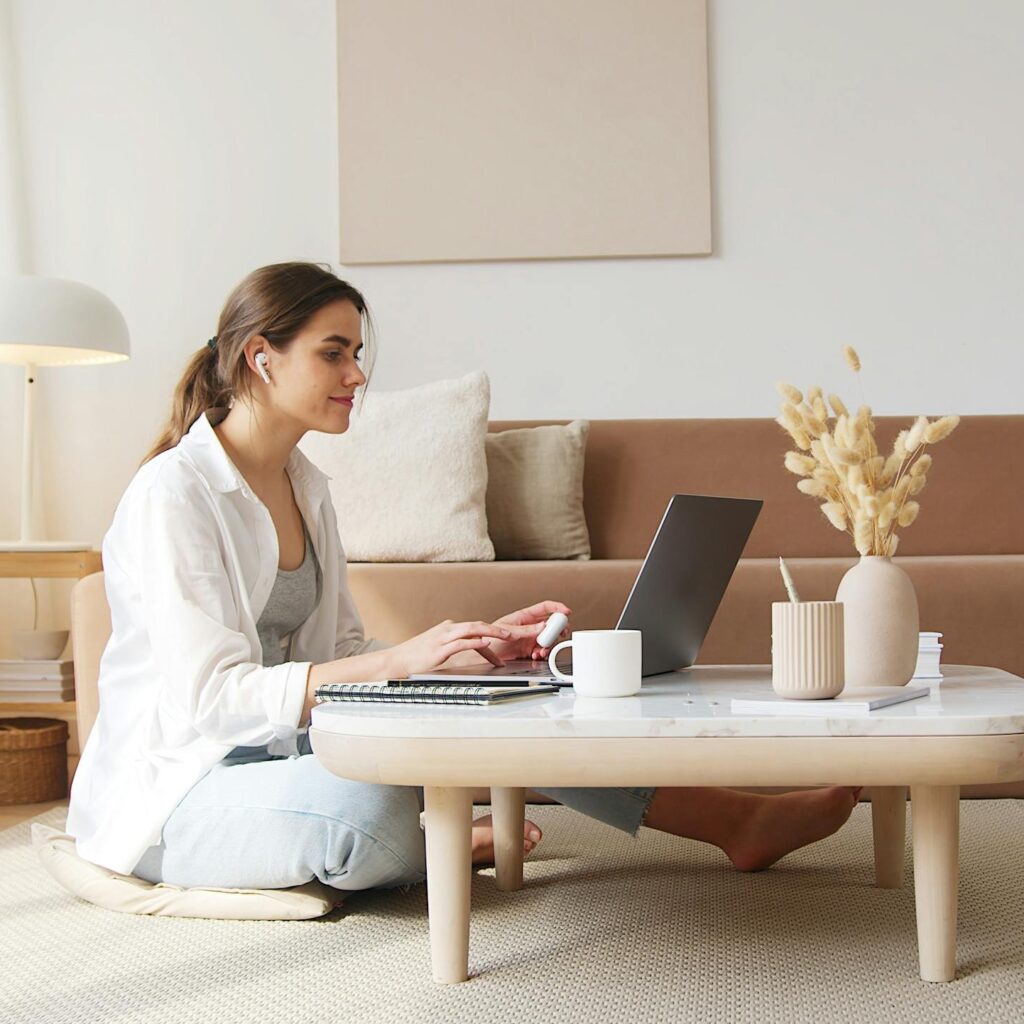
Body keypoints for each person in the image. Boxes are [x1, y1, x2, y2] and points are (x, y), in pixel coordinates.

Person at [67, 262, 860, 894]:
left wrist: (459, 657)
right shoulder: (175, 493)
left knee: (517, 709)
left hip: (286, 750)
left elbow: (342, 647)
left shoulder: (307, 485)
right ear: (260, 357)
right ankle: (438, 842)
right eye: (333, 352)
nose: (357, 373)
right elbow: (212, 699)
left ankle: (735, 821)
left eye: (357, 353)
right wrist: (398, 663)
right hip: (181, 790)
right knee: (367, 804)